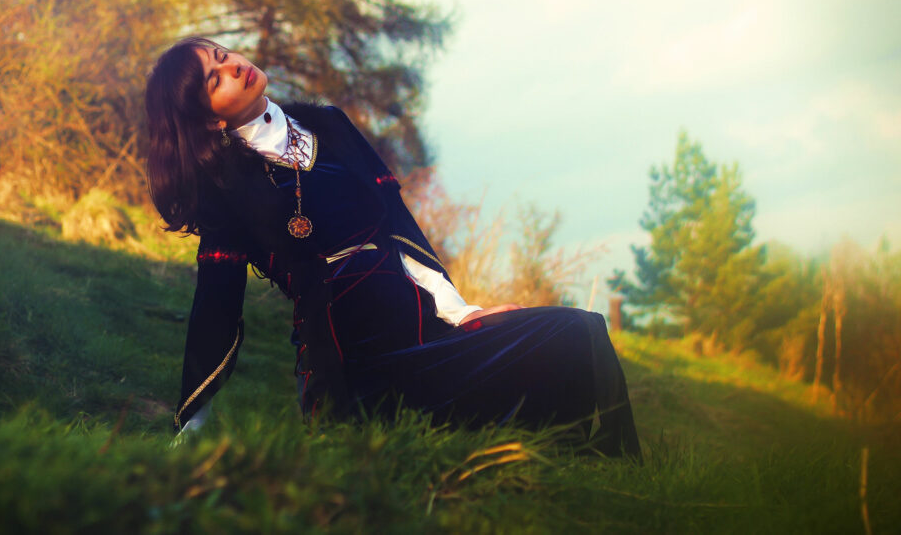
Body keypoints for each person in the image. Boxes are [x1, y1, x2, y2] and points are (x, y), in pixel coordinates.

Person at [145, 37, 640, 457]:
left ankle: (590, 462)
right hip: (349, 368)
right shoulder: (221, 186)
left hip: (426, 332)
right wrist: (194, 426)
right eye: (216, 79)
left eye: (222, 53)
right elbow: (216, 305)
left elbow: (397, 226)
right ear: (210, 121)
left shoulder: (331, 127)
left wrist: (461, 311)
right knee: (385, 431)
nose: (233, 65)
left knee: (577, 331)